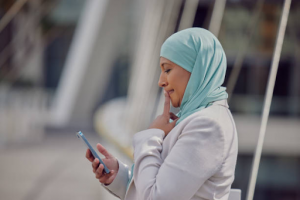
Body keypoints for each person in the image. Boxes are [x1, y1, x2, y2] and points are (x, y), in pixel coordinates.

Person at [85, 28, 238, 200]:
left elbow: (157, 197)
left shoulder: (208, 126)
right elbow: (159, 185)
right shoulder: (199, 117)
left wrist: (151, 136)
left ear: (196, 68)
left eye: (167, 70)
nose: (161, 81)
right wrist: (118, 175)